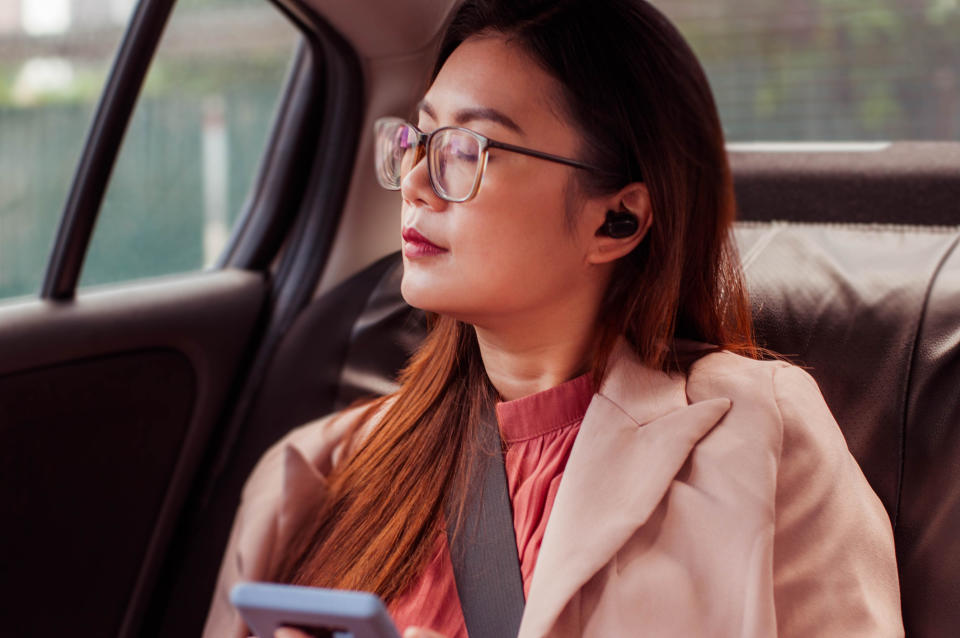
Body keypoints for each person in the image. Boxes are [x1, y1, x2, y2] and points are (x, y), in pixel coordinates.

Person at [203, 0, 903, 636]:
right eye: (419, 140)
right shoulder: (316, 472)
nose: (415, 182)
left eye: (466, 150)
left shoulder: (761, 436)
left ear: (617, 219)